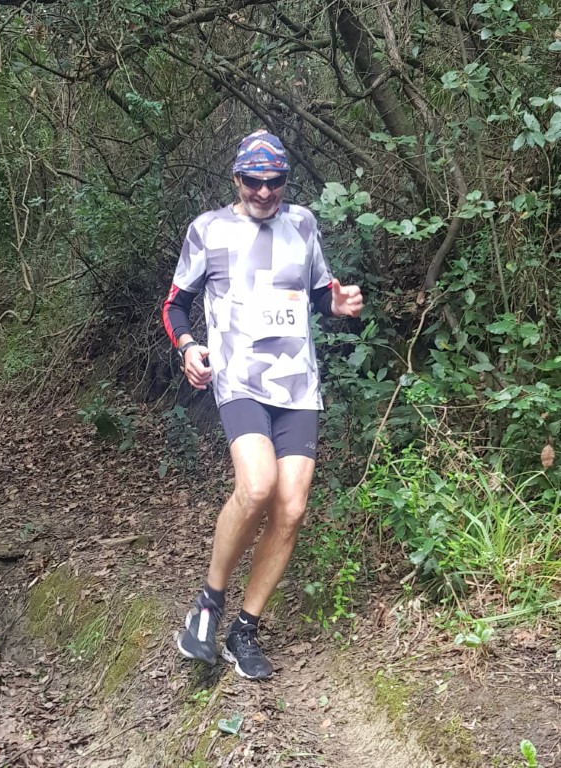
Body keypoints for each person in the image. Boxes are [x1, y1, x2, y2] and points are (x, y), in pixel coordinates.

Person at [162, 129, 363, 680]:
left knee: (291, 507)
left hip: (298, 384)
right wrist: (189, 347)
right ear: (236, 179)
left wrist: (338, 304)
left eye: (275, 182)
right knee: (256, 486)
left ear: (285, 182)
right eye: (254, 181)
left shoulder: (303, 224)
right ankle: (208, 605)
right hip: (239, 380)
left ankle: (244, 630)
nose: (265, 192)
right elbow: (175, 305)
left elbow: (318, 293)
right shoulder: (208, 230)